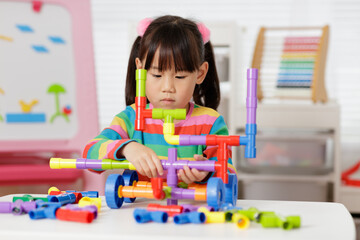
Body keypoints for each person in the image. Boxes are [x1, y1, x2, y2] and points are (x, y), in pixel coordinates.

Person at [83, 15, 235, 184]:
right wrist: (126, 148)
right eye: (156, 75)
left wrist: (206, 171)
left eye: (180, 76)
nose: (167, 87)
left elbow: (228, 174)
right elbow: (90, 154)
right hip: (139, 208)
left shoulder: (211, 122)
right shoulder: (130, 118)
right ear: (140, 69)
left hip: (192, 208)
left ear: (200, 73)